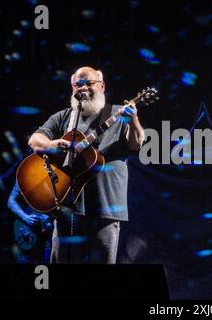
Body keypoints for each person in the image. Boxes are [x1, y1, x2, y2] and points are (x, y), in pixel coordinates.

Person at [28, 66, 145, 263]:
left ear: (102, 86)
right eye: (77, 85)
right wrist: (51, 145)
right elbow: (34, 140)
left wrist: (133, 119)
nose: (82, 88)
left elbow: (136, 143)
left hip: (106, 206)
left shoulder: (116, 113)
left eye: (87, 83)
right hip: (67, 206)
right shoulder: (65, 117)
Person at [7, 182, 53, 263]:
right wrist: (26, 218)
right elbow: (11, 201)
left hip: (51, 236)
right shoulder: (24, 173)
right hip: (30, 230)